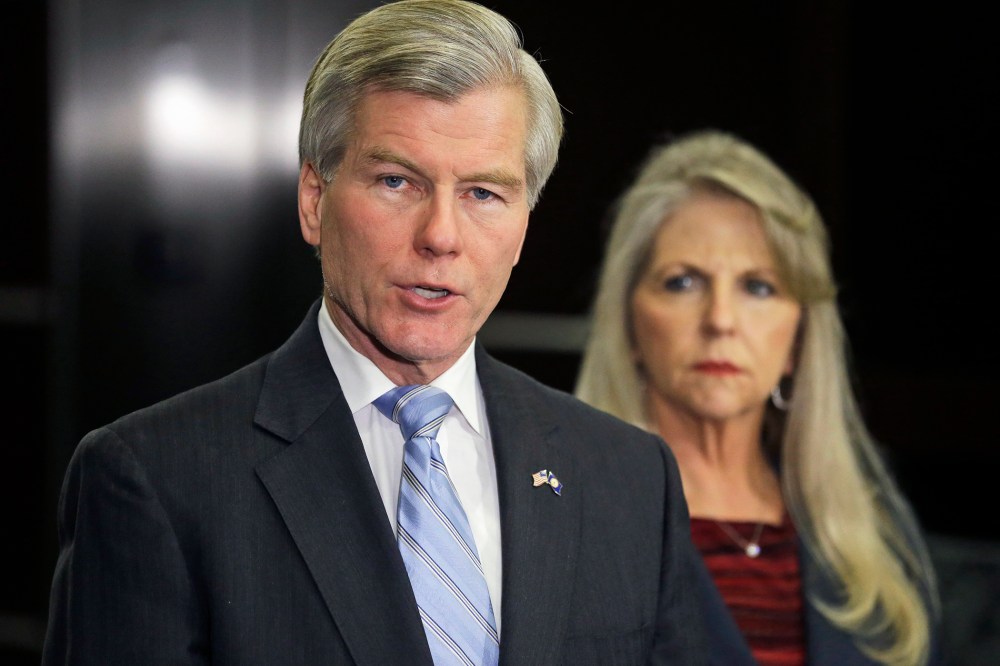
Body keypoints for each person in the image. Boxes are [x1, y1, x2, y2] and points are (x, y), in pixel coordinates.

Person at [41, 1, 706, 664]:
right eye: (397, 181)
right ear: (314, 200)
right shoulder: (154, 479)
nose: (441, 236)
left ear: (522, 229)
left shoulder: (628, 478)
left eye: (483, 193)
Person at [574, 129, 941, 666]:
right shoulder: (567, 516)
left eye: (759, 287)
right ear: (628, 323)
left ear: (799, 338)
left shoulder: (871, 526)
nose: (720, 320)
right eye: (682, 282)